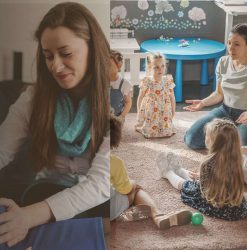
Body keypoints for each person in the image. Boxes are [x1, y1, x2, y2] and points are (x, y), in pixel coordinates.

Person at [0, 2, 110, 247]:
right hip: (47, 190)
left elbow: (101, 184)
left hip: (102, 198)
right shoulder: (33, 98)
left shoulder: (114, 101)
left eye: (66, 53)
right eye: (48, 56)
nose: (55, 66)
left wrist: (28, 217)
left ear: (92, 48)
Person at [184, 23, 247, 149]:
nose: (231, 48)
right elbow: (219, 93)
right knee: (191, 140)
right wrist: (203, 103)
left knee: (237, 150)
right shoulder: (223, 62)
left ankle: (229, 138)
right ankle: (226, 137)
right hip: (224, 111)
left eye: (237, 44)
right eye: (229, 43)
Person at [158, 118, 247, 221]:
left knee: (186, 185)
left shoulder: (208, 162)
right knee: (196, 180)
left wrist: (200, 178)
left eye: (207, 136)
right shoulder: (239, 158)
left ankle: (167, 173)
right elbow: (224, 178)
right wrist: (201, 177)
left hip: (215, 203)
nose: (205, 138)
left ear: (215, 142)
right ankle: (179, 170)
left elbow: (203, 189)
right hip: (235, 206)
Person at [110, 113, 192, 229]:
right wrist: (132, 184)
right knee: (135, 188)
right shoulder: (114, 162)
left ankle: (128, 211)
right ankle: (158, 215)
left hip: (82, 209)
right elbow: (126, 189)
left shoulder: (76, 160)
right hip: (107, 211)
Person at [135, 52, 176, 138]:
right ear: (150, 67)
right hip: (150, 110)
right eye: (156, 67)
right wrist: (139, 112)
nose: (160, 70)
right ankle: (146, 126)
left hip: (164, 110)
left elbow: (172, 97)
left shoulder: (168, 80)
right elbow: (140, 97)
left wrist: (173, 111)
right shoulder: (146, 80)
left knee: (166, 131)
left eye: (162, 66)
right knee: (150, 131)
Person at [110, 50, 133, 123]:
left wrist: (121, 116)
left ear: (119, 67)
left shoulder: (125, 84)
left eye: (109, 65)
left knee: (115, 132)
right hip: (102, 117)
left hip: (117, 118)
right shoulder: (101, 82)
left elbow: (128, 102)